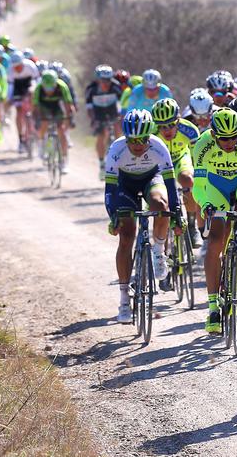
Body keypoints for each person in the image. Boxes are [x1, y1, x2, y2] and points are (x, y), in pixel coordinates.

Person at [103, 109, 183, 324]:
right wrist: (113, 217)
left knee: (161, 205)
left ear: (150, 136)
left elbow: (170, 186)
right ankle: (123, 300)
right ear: (126, 138)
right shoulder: (116, 150)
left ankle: (158, 251)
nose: (138, 145)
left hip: (151, 179)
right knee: (127, 236)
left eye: (143, 140)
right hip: (124, 185)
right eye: (133, 141)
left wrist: (175, 214)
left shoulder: (159, 147)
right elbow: (109, 189)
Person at [192, 108, 237, 334]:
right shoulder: (202, 145)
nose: (231, 142)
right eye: (225, 138)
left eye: (234, 137)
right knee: (215, 241)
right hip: (215, 186)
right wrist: (205, 205)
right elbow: (199, 185)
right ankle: (213, 306)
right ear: (213, 135)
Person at [151, 98, 203, 248]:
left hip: (181, 159)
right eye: (162, 126)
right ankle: (161, 250)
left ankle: (192, 227)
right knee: (162, 202)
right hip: (160, 164)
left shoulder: (191, 130)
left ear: (178, 120)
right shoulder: (151, 133)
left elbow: (197, 159)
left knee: (188, 179)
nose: (167, 130)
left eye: (171, 125)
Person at [86, 65, 123, 177]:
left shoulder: (116, 86)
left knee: (118, 129)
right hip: (98, 112)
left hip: (112, 110)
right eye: (103, 80)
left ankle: (119, 155)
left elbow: (122, 104)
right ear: (98, 79)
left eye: (108, 80)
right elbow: (89, 108)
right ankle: (102, 163)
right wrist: (93, 120)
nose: (106, 83)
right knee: (101, 135)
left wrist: (121, 116)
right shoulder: (91, 89)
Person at [34, 70, 75, 171]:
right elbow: (35, 107)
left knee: (61, 131)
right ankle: (41, 144)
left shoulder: (62, 86)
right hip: (44, 107)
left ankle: (64, 161)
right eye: (46, 87)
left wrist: (70, 118)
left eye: (51, 87)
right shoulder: (38, 88)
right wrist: (37, 119)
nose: (49, 90)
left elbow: (68, 104)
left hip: (57, 106)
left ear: (55, 83)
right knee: (44, 124)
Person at [7, 50, 41, 152]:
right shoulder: (10, 70)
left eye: (18, 65)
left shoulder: (30, 66)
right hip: (17, 86)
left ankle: (35, 127)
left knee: (34, 103)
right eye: (15, 66)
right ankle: (21, 139)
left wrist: (37, 94)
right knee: (19, 111)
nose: (16, 68)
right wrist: (10, 98)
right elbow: (10, 86)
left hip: (29, 84)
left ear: (23, 62)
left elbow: (37, 81)